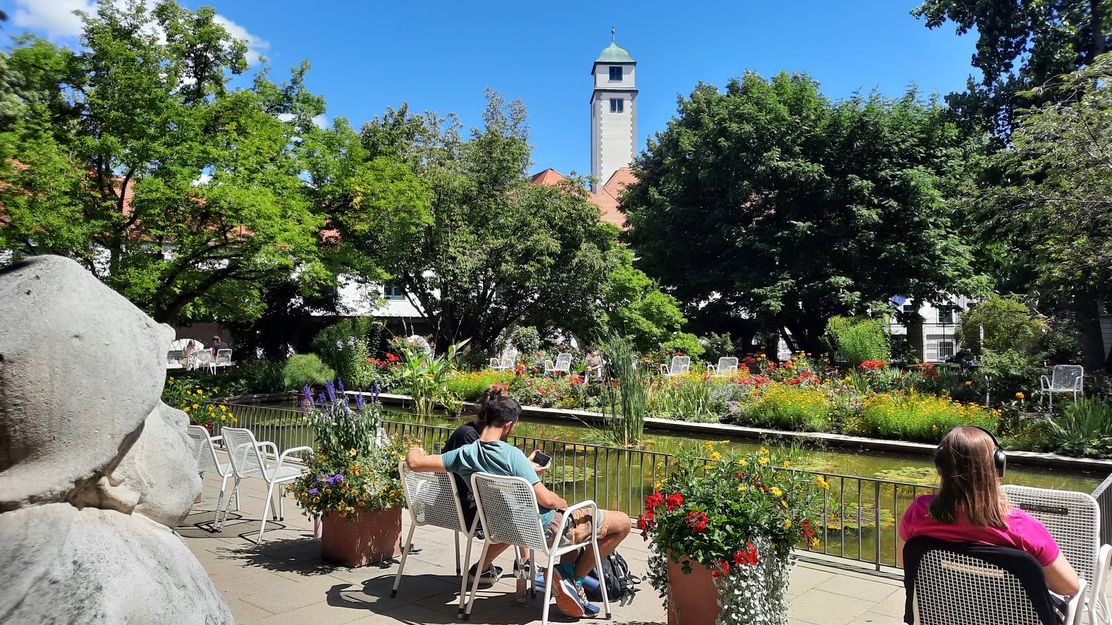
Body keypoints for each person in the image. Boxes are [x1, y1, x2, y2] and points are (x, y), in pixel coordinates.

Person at [407, 389, 631, 618]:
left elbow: (414, 463)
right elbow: (546, 499)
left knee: (576, 524)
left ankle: (566, 575)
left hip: (502, 528)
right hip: (543, 530)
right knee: (622, 523)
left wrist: (414, 447)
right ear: (509, 425)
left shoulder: (464, 454)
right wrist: (562, 502)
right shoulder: (512, 455)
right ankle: (573, 577)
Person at [897, 426, 1080, 600]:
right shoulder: (1021, 526)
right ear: (998, 465)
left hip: (943, 613)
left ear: (940, 467)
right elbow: (1069, 587)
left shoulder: (919, 511)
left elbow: (905, 562)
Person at [440, 386, 548, 584]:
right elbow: (491, 479)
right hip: (465, 508)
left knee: (519, 503)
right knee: (521, 512)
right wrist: (525, 471)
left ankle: (523, 563)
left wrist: (524, 466)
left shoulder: (472, 434)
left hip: (455, 503)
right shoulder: (472, 441)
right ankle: (484, 568)